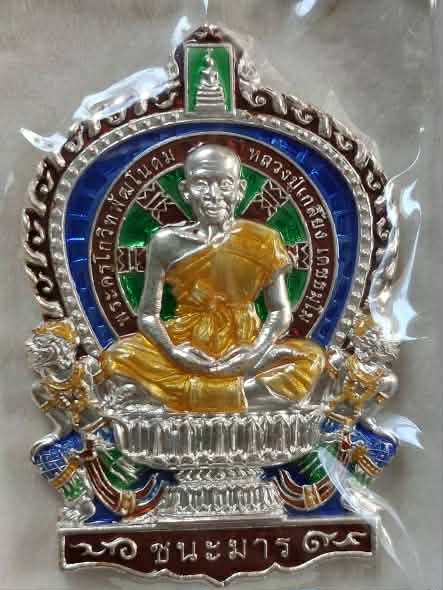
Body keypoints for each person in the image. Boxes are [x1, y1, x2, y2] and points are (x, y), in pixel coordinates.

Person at [102, 145, 325, 413]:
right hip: (185, 342)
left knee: (311, 359)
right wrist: (174, 353)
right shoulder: (166, 242)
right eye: (201, 183)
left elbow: (279, 311)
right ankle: (237, 396)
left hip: (245, 342)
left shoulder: (264, 239)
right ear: (185, 190)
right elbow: (148, 315)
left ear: (240, 189)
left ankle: (187, 398)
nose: (213, 194)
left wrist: (254, 353)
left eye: (224, 184)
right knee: (117, 356)